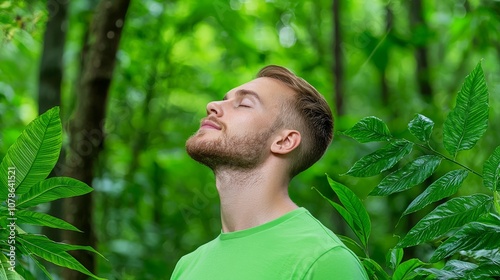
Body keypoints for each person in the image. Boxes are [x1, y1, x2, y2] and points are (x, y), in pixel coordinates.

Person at [171, 65, 368, 279]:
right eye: (224, 98)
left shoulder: (325, 261)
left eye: (244, 104)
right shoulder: (187, 267)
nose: (212, 105)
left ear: (284, 141)